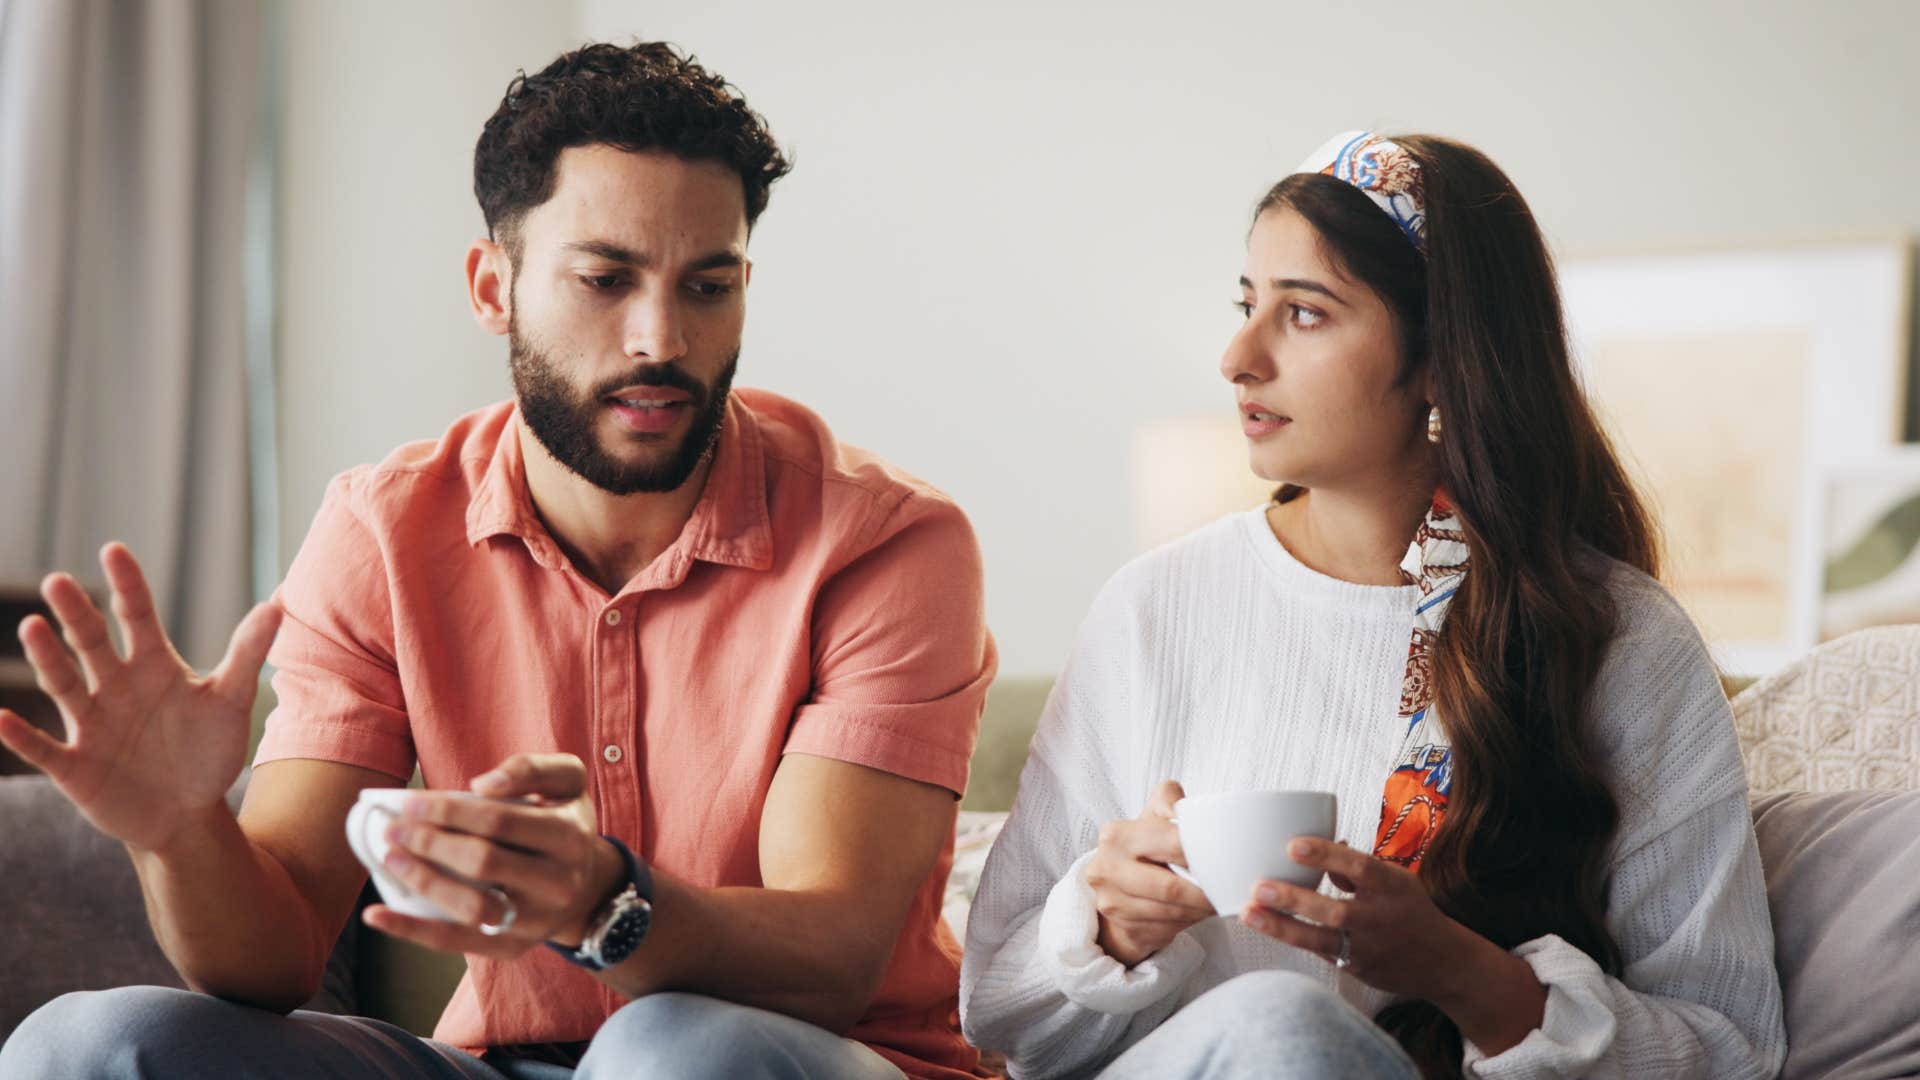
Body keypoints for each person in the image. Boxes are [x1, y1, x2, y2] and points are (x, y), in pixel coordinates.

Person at [0, 41, 995, 1080]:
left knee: (674, 1050)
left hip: (797, 1059)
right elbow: (277, 956)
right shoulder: (383, 530)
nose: (661, 337)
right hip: (497, 1064)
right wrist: (181, 832)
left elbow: (829, 960)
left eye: (709, 286)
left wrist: (602, 898)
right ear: (493, 287)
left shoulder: (886, 542)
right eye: (605, 279)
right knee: (89, 1046)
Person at [958, 132, 1787, 1079]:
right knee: (1272, 1023)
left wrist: (1456, 971)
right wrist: (1106, 926)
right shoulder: (1156, 608)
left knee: (1285, 1027)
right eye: (1247, 303)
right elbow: (996, 1011)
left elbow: (1732, 1049)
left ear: (1443, 363)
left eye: (1304, 314)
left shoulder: (1621, 640)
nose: (1238, 357)